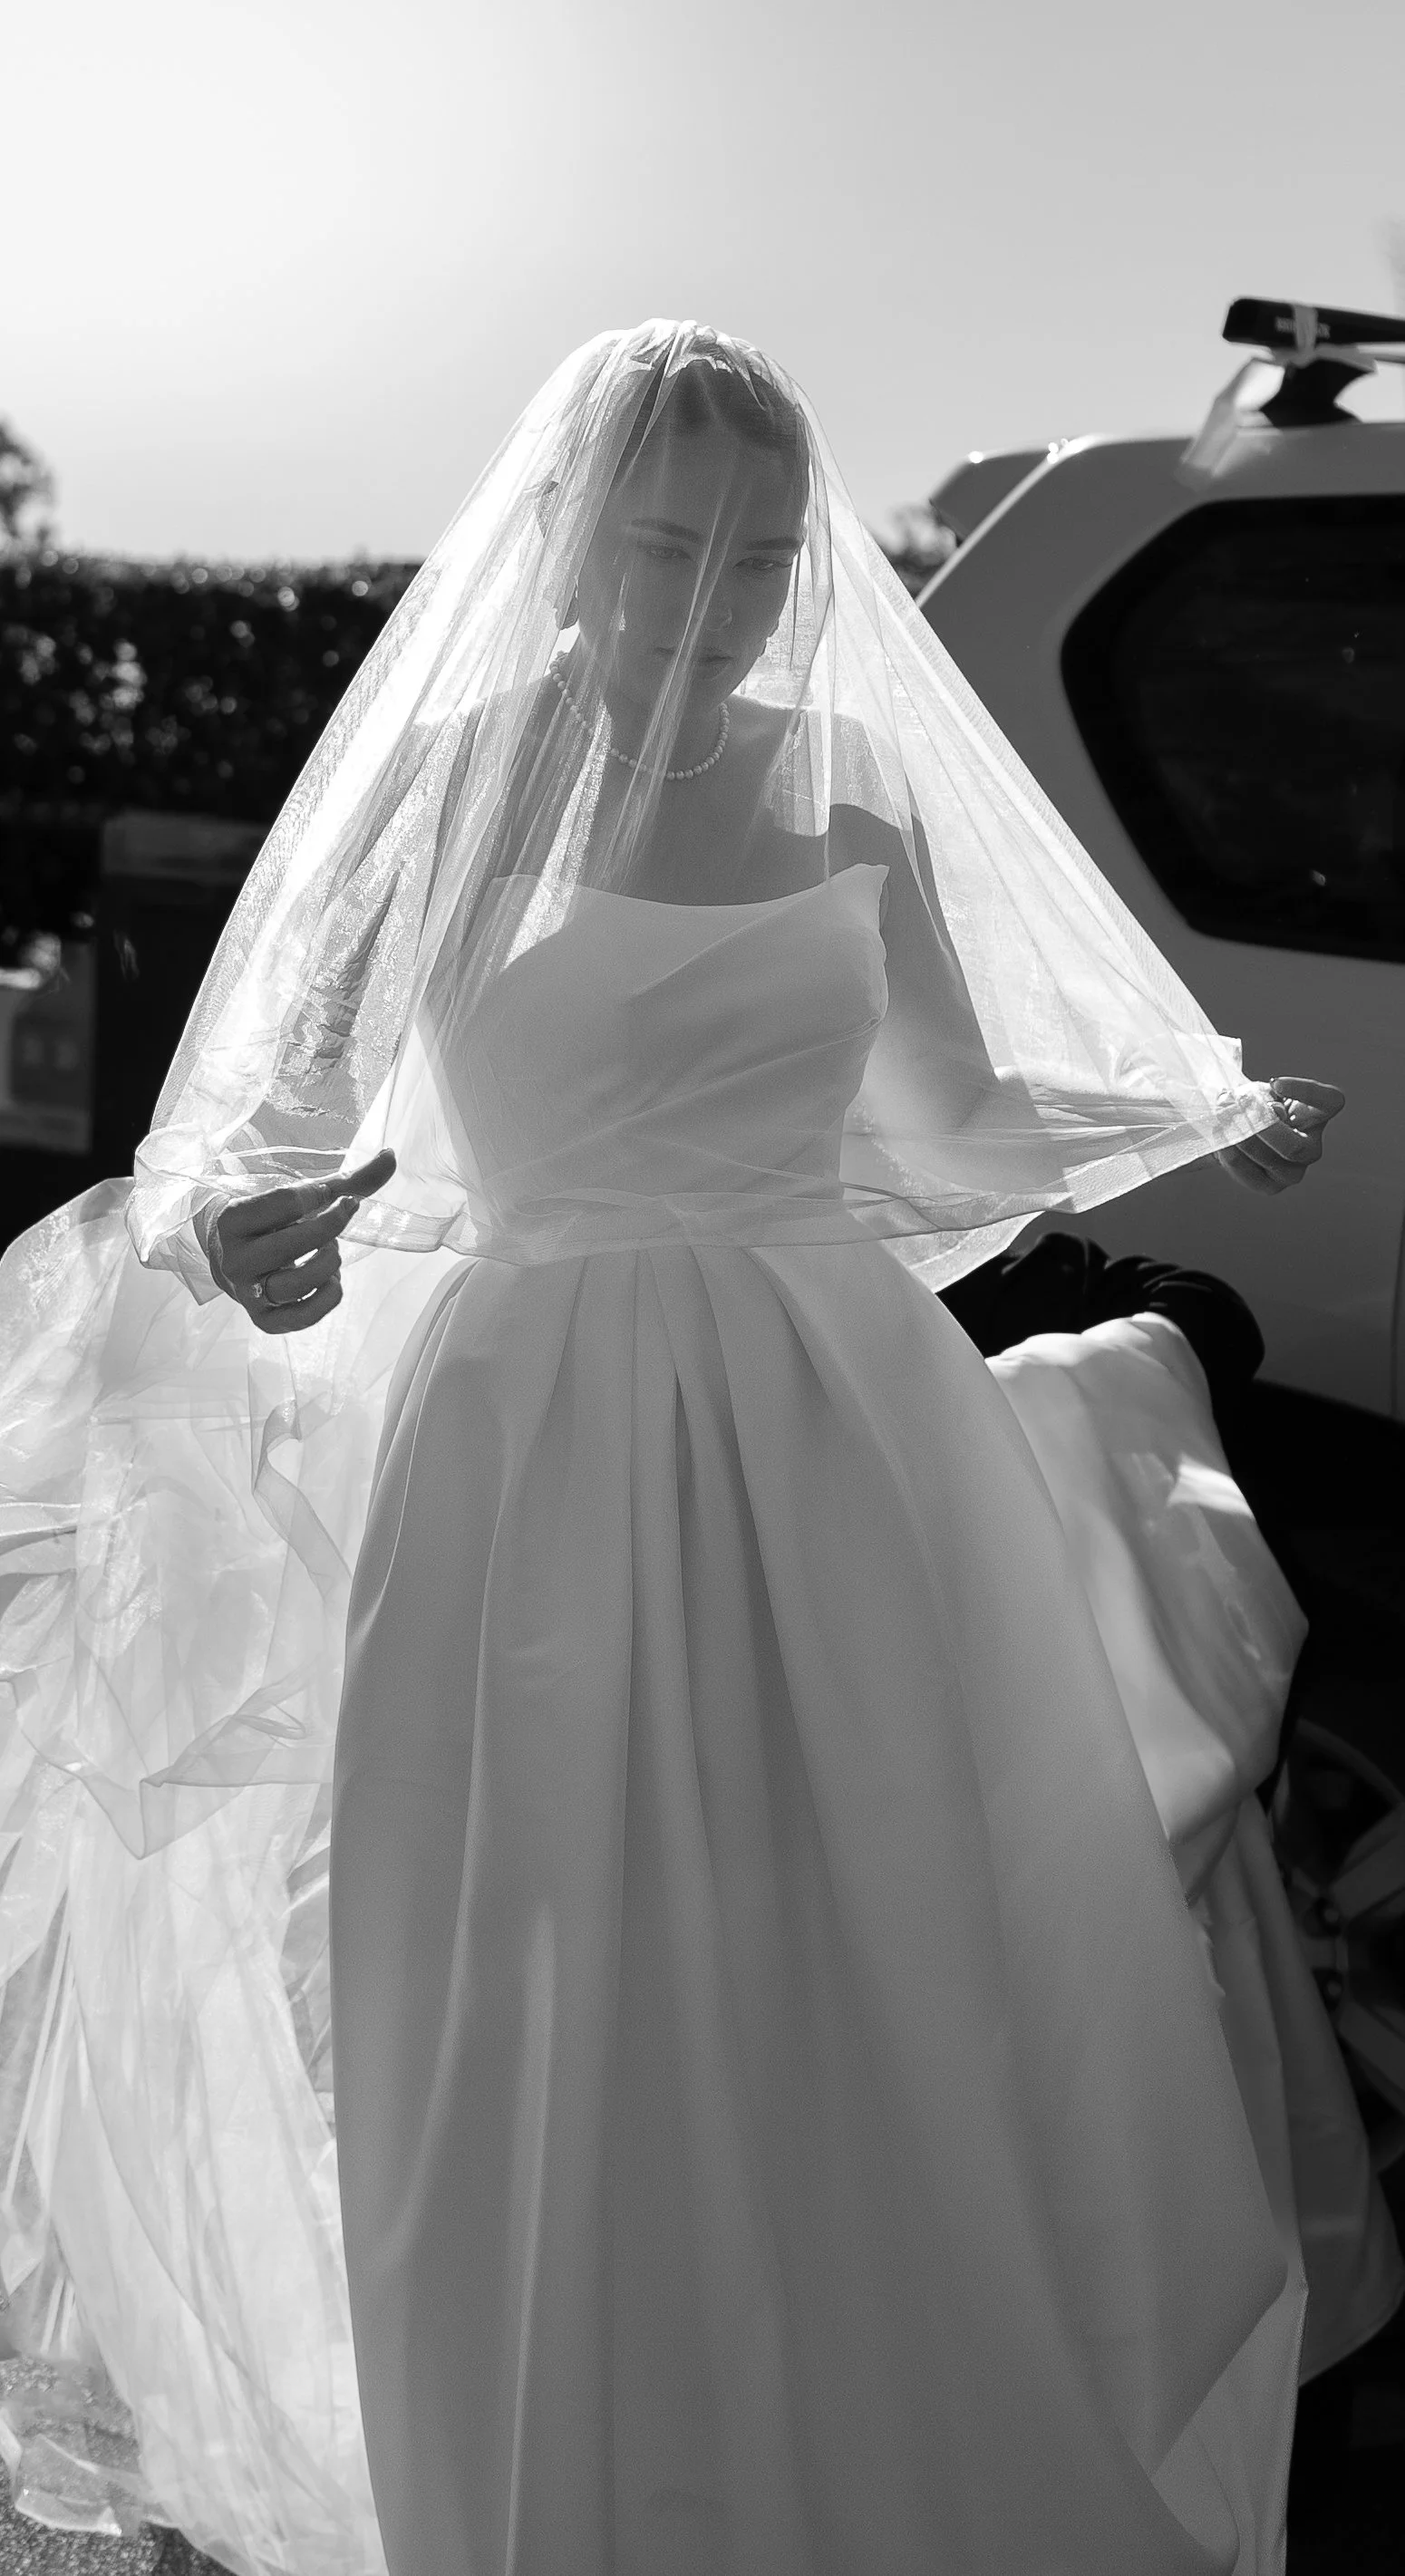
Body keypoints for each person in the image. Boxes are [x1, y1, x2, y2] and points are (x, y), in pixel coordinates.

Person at [0, 323, 1361, 2576]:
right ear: (566, 538)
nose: (712, 593)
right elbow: (254, 1131)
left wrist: (1195, 1112)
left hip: (835, 1423)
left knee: (859, 1944)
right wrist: (249, 1228)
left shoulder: (846, 789)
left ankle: (854, 2457)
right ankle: (543, 2489)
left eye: (750, 554)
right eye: (664, 544)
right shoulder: (449, 785)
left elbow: (945, 1121)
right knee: (528, 1968)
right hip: (524, 1428)